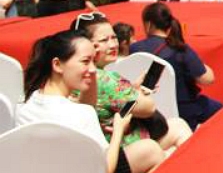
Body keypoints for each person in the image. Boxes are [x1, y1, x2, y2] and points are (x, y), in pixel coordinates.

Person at [17, 29, 163, 173]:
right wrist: (118, 131)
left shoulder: (24, 106)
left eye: (94, 60)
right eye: (86, 61)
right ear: (57, 64)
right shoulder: (81, 114)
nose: (93, 69)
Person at [73, 11, 191, 153]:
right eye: (104, 40)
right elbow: (149, 108)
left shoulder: (75, 74)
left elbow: (112, 106)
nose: (113, 44)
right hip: (120, 149)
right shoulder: (105, 79)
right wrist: (137, 93)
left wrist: (133, 89)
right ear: (85, 45)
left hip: (97, 149)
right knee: (180, 128)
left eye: (114, 38)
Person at [132, 2, 223, 130]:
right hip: (184, 112)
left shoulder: (133, 49)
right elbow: (207, 79)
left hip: (147, 113)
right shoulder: (180, 49)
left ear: (148, 25)